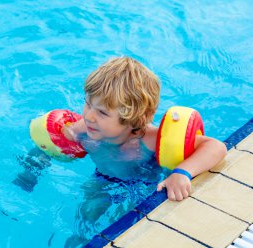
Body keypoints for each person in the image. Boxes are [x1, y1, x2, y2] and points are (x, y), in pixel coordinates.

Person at [62, 56, 227, 202]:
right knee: (87, 213)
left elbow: (216, 147)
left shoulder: (151, 140)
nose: (89, 116)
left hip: (146, 185)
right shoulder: (83, 129)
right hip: (103, 178)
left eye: (102, 113)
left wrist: (182, 172)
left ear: (134, 121)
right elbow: (56, 142)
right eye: (88, 104)